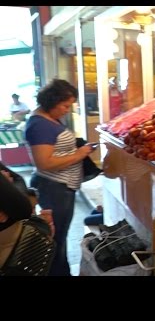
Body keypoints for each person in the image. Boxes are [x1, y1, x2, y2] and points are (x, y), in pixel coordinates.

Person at [25, 79, 96, 276]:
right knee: (56, 238)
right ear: (51, 101)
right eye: (65, 105)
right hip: (55, 188)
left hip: (62, 187)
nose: (67, 110)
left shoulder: (49, 120)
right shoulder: (40, 126)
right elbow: (44, 163)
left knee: (61, 236)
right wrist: (80, 154)